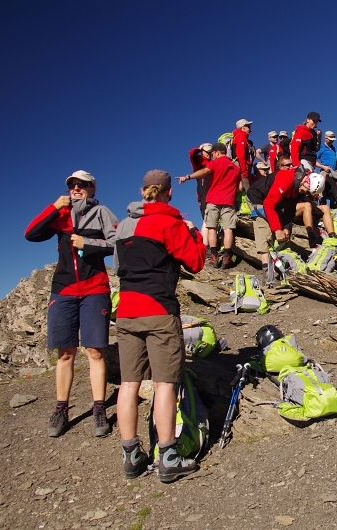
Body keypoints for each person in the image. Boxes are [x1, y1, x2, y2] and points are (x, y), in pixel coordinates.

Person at [114, 169, 206, 483]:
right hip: (158, 310)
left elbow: (118, 266)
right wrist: (195, 234)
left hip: (125, 311)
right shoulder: (171, 221)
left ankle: (131, 455)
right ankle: (168, 456)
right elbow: (195, 262)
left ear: (143, 191)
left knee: (129, 384)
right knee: (165, 384)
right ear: (168, 192)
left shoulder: (124, 226)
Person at [24, 170, 118, 438]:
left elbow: (117, 242)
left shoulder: (102, 213)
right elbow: (31, 234)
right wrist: (54, 207)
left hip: (94, 289)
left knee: (95, 352)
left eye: (82, 185)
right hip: (63, 290)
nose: (76, 188)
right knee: (65, 353)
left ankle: (99, 408)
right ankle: (61, 409)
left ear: (92, 188)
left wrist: (86, 242)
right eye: (72, 185)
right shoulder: (60, 213)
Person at [179, 143, 240, 268]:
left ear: (217, 152)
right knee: (228, 229)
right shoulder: (235, 167)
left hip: (213, 199)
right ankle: (227, 258)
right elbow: (240, 187)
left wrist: (188, 177)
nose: (212, 155)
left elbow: (205, 171)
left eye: (213, 153)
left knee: (211, 227)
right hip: (229, 200)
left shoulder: (215, 163)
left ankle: (214, 256)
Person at [188, 143, 213, 244]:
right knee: (207, 218)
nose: (209, 154)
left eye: (211, 152)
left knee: (211, 218)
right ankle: (205, 245)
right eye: (207, 152)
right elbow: (191, 153)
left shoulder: (212, 162)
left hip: (212, 193)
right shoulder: (198, 161)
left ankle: (209, 244)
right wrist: (199, 148)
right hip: (203, 193)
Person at [316, 131, 337, 208]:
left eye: (333, 139)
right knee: (322, 192)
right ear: (326, 138)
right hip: (324, 172)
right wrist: (323, 167)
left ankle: (334, 211)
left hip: (333, 173)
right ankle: (322, 211)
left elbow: (334, 161)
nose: (332, 141)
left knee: (334, 192)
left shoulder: (333, 148)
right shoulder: (321, 147)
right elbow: (314, 160)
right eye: (330, 139)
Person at [232, 119, 255, 183]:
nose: (250, 130)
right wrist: (245, 172)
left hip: (240, 169)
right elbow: (240, 155)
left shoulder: (239, 137)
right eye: (249, 127)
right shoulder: (241, 137)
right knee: (247, 190)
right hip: (241, 170)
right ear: (243, 128)